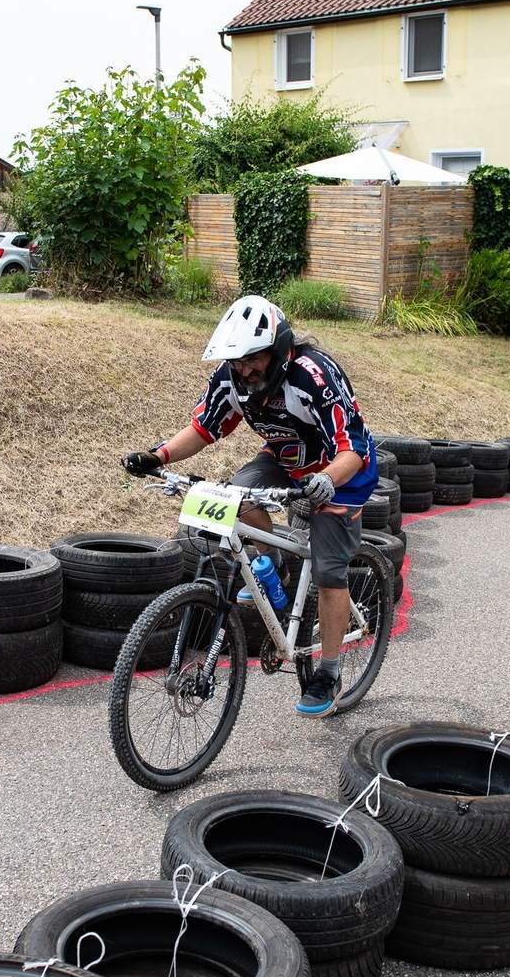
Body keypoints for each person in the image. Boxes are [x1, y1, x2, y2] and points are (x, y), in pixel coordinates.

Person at [123, 295, 378, 718]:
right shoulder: (231, 378)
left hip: (343, 469)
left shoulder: (314, 375)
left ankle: (329, 673)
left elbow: (351, 447)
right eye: (237, 361)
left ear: (279, 349)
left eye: (253, 359)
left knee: (330, 570)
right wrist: (158, 457)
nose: (244, 370)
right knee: (236, 496)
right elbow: (203, 429)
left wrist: (327, 480)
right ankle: (273, 564)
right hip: (287, 459)